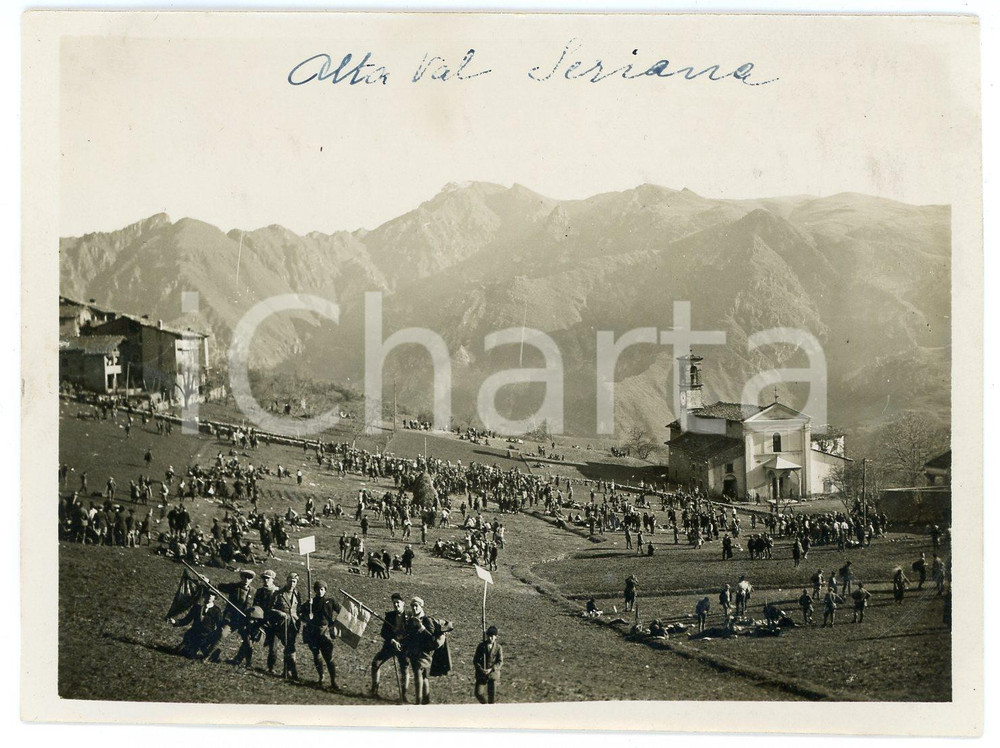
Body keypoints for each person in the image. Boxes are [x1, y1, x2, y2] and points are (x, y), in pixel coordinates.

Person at [205, 569, 256, 664]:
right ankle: (207, 656)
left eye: (249, 578)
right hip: (231, 619)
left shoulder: (253, 592)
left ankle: (245, 662)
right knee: (221, 635)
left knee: (248, 641)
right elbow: (219, 586)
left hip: (244, 621)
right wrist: (208, 581)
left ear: (251, 580)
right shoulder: (234, 587)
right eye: (245, 577)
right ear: (241, 577)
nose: (246, 579)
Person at [403, 596, 446, 705]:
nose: (414, 608)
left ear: (421, 606)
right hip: (413, 652)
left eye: (416, 606)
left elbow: (431, 637)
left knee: (418, 675)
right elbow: (409, 636)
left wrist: (421, 627)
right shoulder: (411, 620)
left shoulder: (427, 620)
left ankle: (418, 702)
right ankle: (426, 701)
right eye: (412, 606)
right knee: (424, 677)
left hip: (424, 653)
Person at [371, 592, 410, 700]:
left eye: (398, 603)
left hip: (403, 648)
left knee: (404, 669)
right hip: (390, 646)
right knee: (375, 663)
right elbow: (383, 632)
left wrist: (403, 643)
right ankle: (374, 690)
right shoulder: (389, 616)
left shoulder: (409, 616)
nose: (396, 605)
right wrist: (392, 640)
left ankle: (404, 695)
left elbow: (413, 634)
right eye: (394, 603)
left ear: (403, 603)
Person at [304, 580, 342, 690]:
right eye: (318, 589)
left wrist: (334, 623)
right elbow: (301, 612)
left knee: (328, 657)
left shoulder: (330, 601)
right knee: (316, 656)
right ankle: (321, 677)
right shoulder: (311, 602)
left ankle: (333, 681)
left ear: (325, 590)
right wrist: (308, 616)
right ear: (315, 590)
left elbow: (341, 612)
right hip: (313, 632)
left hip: (325, 633)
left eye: (322, 589)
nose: (320, 591)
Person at [170, 588, 223, 659]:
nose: (210, 596)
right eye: (208, 594)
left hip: (206, 636)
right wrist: (175, 622)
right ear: (204, 595)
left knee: (209, 656)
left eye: (213, 594)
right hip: (194, 634)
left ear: (215, 597)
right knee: (184, 653)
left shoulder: (216, 611)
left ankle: (211, 652)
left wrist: (214, 636)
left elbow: (220, 625)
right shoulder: (197, 608)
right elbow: (186, 620)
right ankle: (189, 647)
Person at [267, 573, 302, 678]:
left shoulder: (297, 594)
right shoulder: (278, 594)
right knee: (280, 646)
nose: (292, 583)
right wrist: (280, 613)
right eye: (290, 581)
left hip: (293, 624)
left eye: (294, 582)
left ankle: (289, 671)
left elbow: (298, 609)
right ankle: (277, 669)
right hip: (280, 624)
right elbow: (270, 609)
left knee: (290, 647)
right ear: (286, 581)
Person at [473, 625, 504, 704]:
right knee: (478, 693)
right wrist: (481, 669)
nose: (490, 638)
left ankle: (491, 711)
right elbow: (475, 660)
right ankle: (485, 705)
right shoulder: (481, 646)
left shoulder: (498, 647)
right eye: (489, 636)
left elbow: (500, 661)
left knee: (492, 696)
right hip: (482, 674)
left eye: (492, 636)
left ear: (496, 637)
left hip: (493, 674)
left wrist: (491, 669)